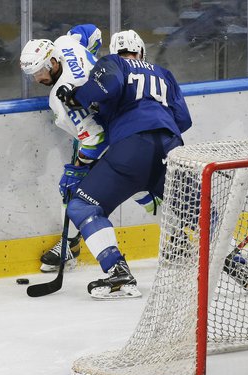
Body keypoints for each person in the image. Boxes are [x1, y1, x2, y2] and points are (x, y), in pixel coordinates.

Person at [55, 29, 191, 299]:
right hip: (171, 147)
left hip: (132, 148)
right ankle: (239, 266)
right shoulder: (164, 73)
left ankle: (117, 271)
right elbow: (183, 119)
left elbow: (110, 84)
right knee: (197, 212)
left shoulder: (113, 63)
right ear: (141, 50)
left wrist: (77, 96)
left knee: (82, 206)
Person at [20, 24, 108, 273]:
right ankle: (69, 243)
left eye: (40, 72)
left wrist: (78, 168)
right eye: (33, 75)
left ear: (53, 63)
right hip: (117, 120)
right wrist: (93, 66)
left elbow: (95, 138)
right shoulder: (66, 43)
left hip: (112, 135)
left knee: (73, 190)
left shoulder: (61, 96)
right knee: (142, 188)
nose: (38, 80)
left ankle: (69, 245)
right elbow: (91, 31)